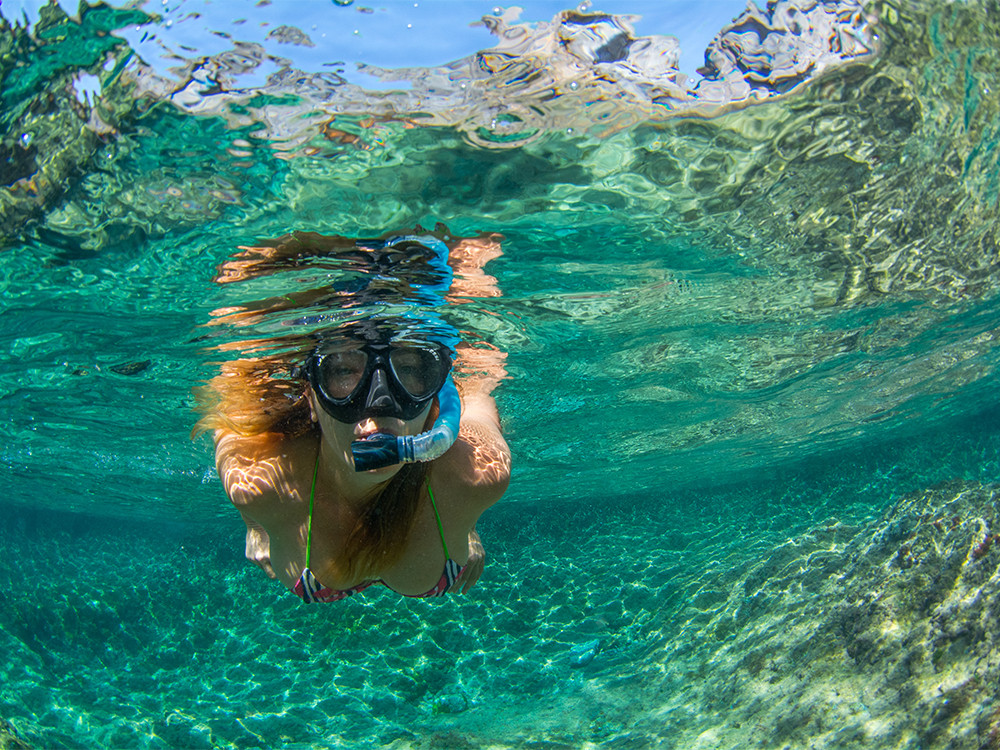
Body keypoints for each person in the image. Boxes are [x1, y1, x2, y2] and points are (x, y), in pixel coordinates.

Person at [193, 231, 511, 602]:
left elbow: (478, 407)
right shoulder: (259, 482)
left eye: (410, 370)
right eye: (343, 372)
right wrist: (255, 524)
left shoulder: (474, 476)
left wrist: (465, 521)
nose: (378, 408)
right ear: (311, 398)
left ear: (434, 390)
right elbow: (232, 413)